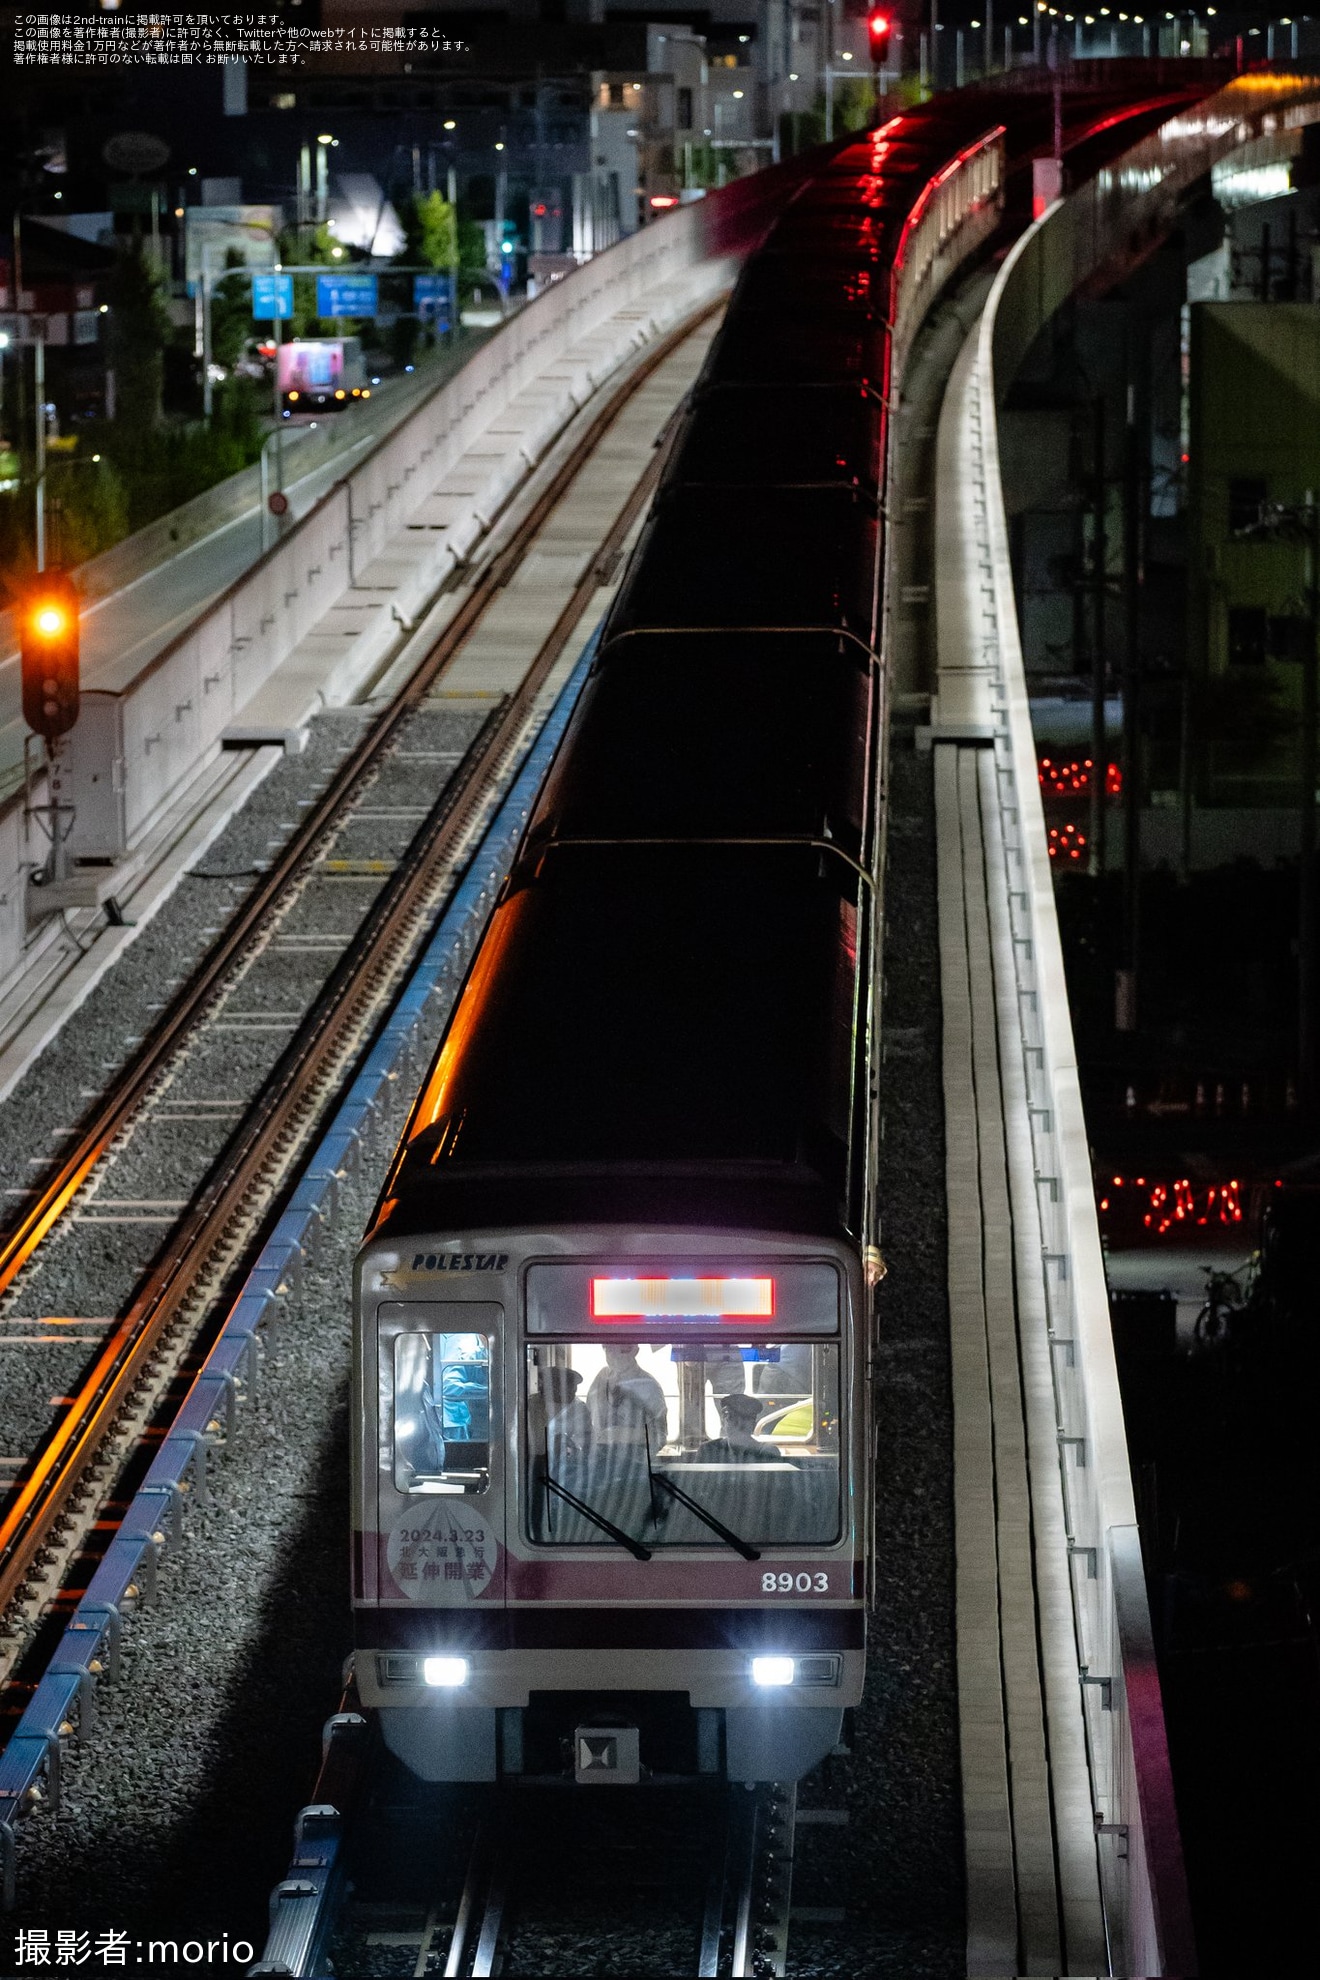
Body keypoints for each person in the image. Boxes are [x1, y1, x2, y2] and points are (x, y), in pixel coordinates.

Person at [587, 1342, 669, 1452]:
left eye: (622, 1350)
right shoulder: (600, 1379)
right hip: (600, 1461)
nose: (615, 1355)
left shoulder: (649, 1386)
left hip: (635, 1463)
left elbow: (660, 1436)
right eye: (609, 1349)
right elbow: (586, 1418)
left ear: (635, 1351)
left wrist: (622, 1435)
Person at [695, 1390, 783, 1464]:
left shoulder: (767, 1452)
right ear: (723, 1420)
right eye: (732, 1417)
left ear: (754, 1424)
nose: (739, 1423)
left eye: (746, 1418)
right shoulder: (707, 1450)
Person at [542, 1365, 593, 1468]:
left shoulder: (580, 1410)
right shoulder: (531, 1406)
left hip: (569, 1467)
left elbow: (586, 1443)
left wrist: (572, 1446)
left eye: (572, 1389)